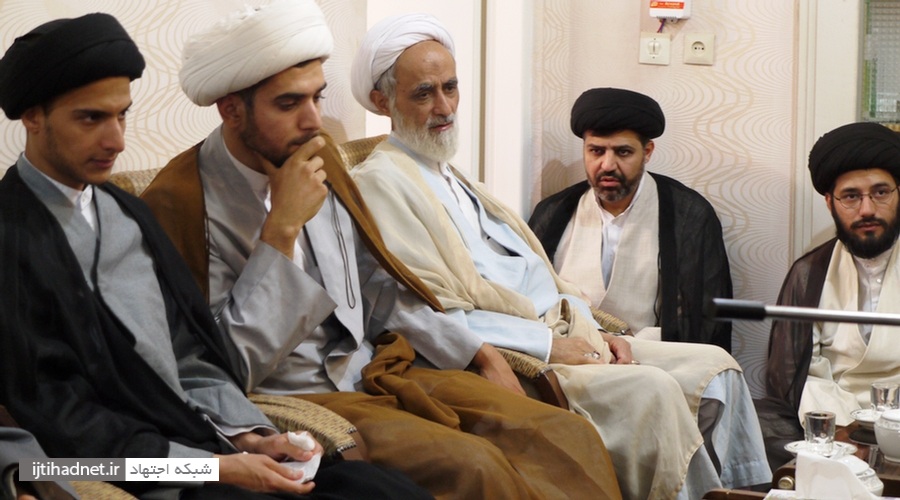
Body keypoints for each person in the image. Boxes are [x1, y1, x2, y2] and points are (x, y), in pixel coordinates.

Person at [141, 2, 621, 499]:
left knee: (564, 434)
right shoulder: (180, 204)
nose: (313, 121)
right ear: (231, 110)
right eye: (288, 104)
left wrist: (476, 352)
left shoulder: (317, 158)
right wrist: (280, 233)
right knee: (475, 467)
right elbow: (214, 368)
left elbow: (375, 287)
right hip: (302, 397)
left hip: (379, 370)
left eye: (316, 97)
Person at [0, 12, 431, 500]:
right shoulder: (12, 239)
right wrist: (210, 469)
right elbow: (64, 428)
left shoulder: (125, 212)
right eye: (91, 118)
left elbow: (192, 357)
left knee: (380, 489)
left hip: (211, 447)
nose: (116, 141)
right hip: (154, 477)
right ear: (33, 117)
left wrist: (251, 436)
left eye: (122, 116)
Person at [350, 13, 772, 500]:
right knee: (653, 389)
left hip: (569, 329)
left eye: (450, 87)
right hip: (525, 350)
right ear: (382, 101)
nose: (444, 107)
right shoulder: (380, 183)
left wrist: (595, 330)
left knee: (718, 368)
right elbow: (420, 309)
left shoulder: (449, 174)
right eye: (424, 93)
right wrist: (550, 345)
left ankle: (745, 492)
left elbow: (536, 277)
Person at [528, 87, 733, 352]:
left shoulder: (689, 215)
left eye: (623, 152)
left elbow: (702, 321)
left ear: (647, 151)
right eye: (596, 151)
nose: (607, 165)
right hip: (571, 360)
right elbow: (528, 302)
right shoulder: (553, 214)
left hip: (656, 360)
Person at [760, 121, 900, 467]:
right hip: (831, 418)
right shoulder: (809, 272)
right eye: (851, 196)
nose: (867, 209)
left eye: (880, 192)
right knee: (753, 424)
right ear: (829, 202)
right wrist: (840, 430)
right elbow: (793, 374)